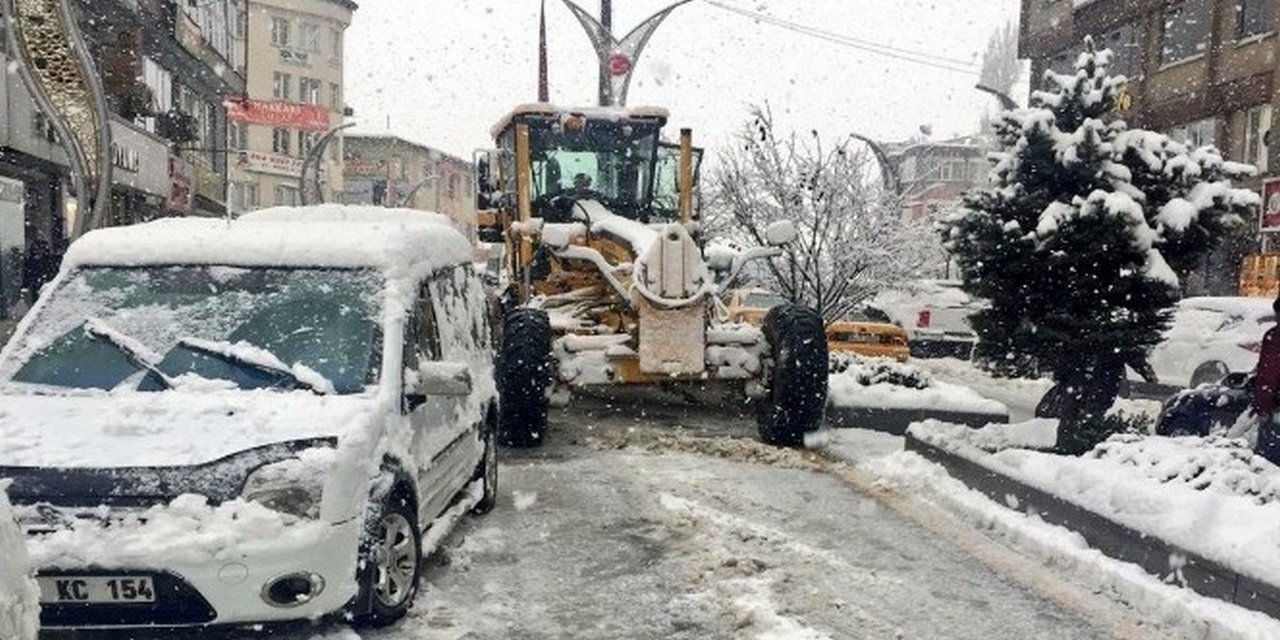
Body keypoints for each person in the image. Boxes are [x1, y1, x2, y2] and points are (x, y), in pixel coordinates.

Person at [1251, 296, 1280, 464]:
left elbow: (1269, 375)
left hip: (1276, 408)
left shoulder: (1275, 337)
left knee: (1267, 463)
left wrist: (1262, 407)